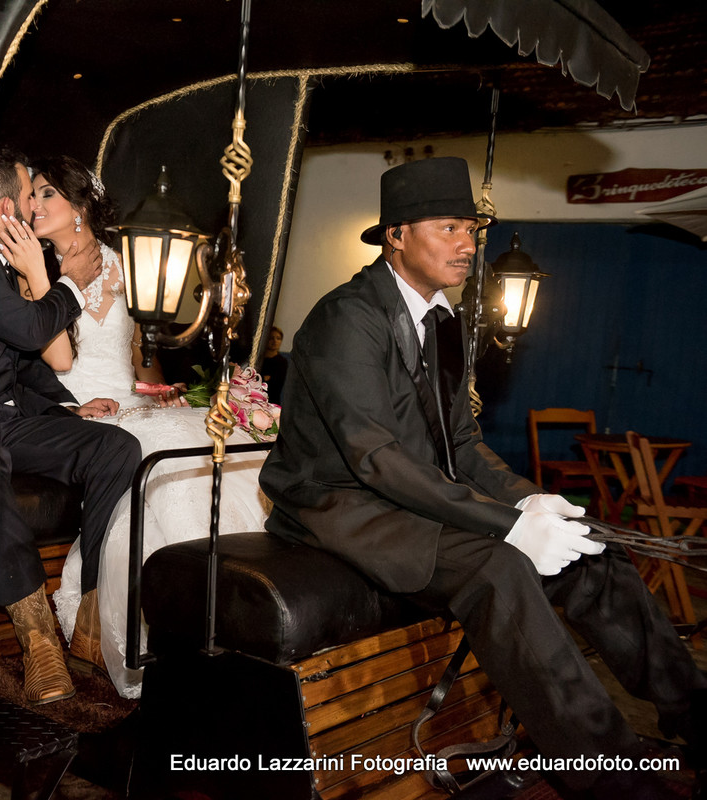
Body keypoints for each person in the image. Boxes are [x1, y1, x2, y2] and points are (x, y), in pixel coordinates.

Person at [259, 156, 705, 798]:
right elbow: (373, 458)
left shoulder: (443, 321)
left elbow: (462, 443)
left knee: (593, 551)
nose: (467, 244)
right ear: (397, 235)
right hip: (341, 507)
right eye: (448, 228)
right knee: (501, 569)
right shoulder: (344, 318)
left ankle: (696, 716)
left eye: (470, 229)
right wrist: (511, 526)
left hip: (410, 494)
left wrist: (535, 499)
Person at [15, 155, 271, 698]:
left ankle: (230, 614)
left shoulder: (129, 263)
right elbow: (45, 360)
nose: (32, 205)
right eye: (31, 196)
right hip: (70, 406)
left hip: (129, 399)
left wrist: (163, 392)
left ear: (79, 207)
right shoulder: (31, 268)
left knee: (204, 438)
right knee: (147, 456)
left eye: (45, 195)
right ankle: (132, 624)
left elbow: (140, 354)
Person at [0, 146, 142, 706]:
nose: (35, 208)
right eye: (31, 195)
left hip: (9, 413)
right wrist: (71, 283)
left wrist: (64, 408)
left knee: (117, 449)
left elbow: (24, 361)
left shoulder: (0, 260)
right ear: (7, 207)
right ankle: (38, 640)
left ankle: (94, 619)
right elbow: (30, 332)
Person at [259, 325, 288, 404]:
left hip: (272, 402)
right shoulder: (259, 359)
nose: (275, 341)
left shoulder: (282, 361)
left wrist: (263, 378)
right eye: (271, 338)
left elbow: (275, 384)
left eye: (278, 338)